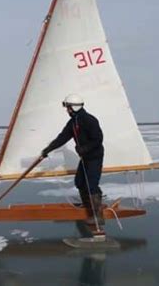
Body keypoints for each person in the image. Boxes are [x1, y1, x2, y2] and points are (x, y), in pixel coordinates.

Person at [41, 94, 105, 228]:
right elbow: (63, 137)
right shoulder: (73, 122)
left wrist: (85, 148)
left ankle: (98, 217)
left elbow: (98, 139)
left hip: (94, 156)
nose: (67, 110)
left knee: (91, 185)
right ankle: (88, 207)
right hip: (85, 157)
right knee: (80, 182)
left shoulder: (89, 120)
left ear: (74, 107)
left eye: (68, 107)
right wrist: (48, 149)